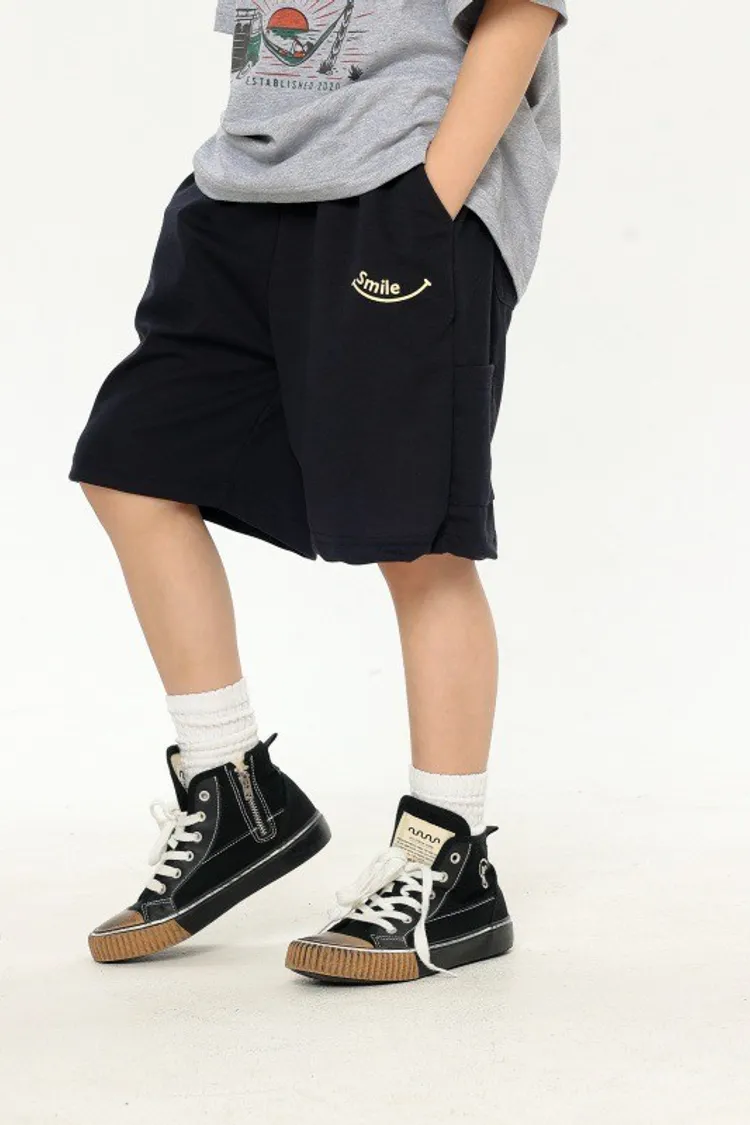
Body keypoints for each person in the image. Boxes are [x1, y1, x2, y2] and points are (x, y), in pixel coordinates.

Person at [71, 0, 568, 983]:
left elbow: (520, 12)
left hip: (397, 189)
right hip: (241, 192)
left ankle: (448, 857)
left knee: (417, 537)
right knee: (131, 467)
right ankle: (235, 791)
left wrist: (428, 201)